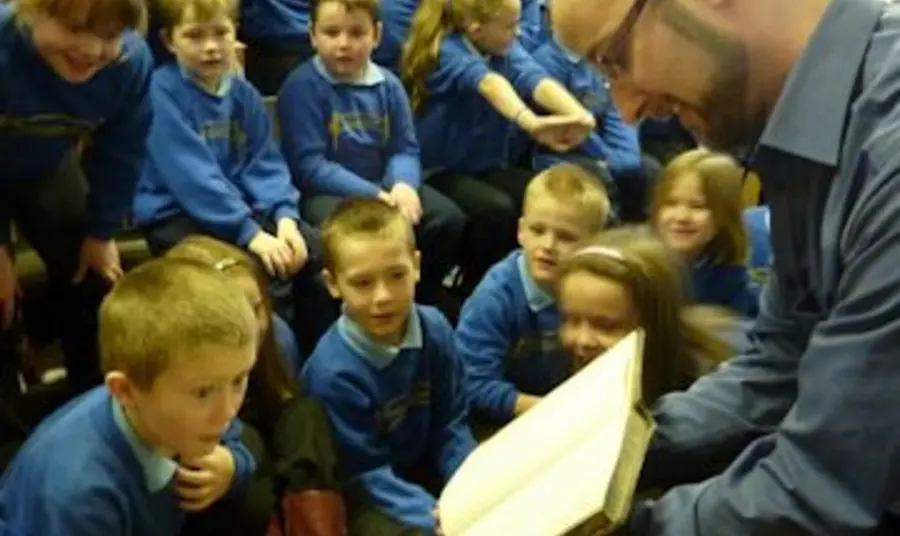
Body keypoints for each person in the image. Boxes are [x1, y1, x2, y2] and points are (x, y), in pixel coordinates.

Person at [551, 0, 900, 533]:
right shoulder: (811, 131)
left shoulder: (887, 147)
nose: (623, 108)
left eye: (614, 60)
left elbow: (824, 484)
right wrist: (604, 456)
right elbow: (781, 364)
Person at [0, 257, 259, 536]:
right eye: (203, 392)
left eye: (238, 380)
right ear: (125, 391)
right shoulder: (79, 496)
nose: (228, 410)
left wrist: (233, 468)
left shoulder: (191, 409)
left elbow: (235, 439)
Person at [133, 0, 335, 355]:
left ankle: (318, 362)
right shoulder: (160, 93)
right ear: (168, 40)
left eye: (221, 33)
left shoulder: (242, 93)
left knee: (317, 253)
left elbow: (265, 163)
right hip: (177, 214)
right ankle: (271, 374)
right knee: (260, 271)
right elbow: (193, 179)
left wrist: (286, 218)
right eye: (194, 36)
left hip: (240, 209)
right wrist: (251, 234)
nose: (211, 47)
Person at [0, 0, 153, 396]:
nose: (91, 50)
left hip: (43, 162)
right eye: (74, 28)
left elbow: (123, 150)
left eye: (109, 36)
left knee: (93, 278)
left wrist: (101, 233)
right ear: (29, 11)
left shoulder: (128, 64)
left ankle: (92, 404)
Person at [301, 198, 476, 534]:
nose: (383, 296)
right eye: (362, 283)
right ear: (333, 284)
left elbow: (451, 423)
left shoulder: (435, 328)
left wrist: (470, 486)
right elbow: (363, 472)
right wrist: (433, 515)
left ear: (417, 266)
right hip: (368, 492)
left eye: (396, 275)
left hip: (421, 464)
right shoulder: (332, 373)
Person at [278, 0, 466, 306]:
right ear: (312, 35)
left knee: (445, 219)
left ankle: (420, 299)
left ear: (376, 35)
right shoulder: (302, 87)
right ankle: (352, 306)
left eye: (357, 33)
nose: (344, 44)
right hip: (326, 193)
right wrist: (373, 195)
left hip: (384, 185)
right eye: (331, 32)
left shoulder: (388, 85)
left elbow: (404, 148)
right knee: (356, 235)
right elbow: (309, 166)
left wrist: (403, 184)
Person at [401, 0, 594, 292]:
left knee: (543, 192)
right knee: (496, 209)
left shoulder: (503, 48)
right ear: (477, 31)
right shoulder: (445, 50)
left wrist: (579, 115)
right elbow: (489, 84)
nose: (518, 33)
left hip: (483, 167)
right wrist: (530, 122)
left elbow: (535, 80)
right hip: (438, 170)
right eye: (509, 26)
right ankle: (478, 289)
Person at [167, 236, 348, 536]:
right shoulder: (177, 370)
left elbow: (281, 404)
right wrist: (233, 468)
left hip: (265, 464)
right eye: (232, 312)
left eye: (256, 307)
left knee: (307, 417)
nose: (250, 323)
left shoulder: (278, 338)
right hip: (216, 477)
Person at [456, 163, 609, 426]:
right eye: (538, 230)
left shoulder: (597, 290)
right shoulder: (495, 297)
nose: (548, 246)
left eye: (566, 237)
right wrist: (551, 410)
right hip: (503, 420)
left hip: (563, 408)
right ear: (521, 231)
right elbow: (471, 384)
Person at [650, 148, 758, 317]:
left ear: (725, 214)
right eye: (670, 203)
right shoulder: (638, 271)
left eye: (698, 206)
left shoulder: (733, 287)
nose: (682, 217)